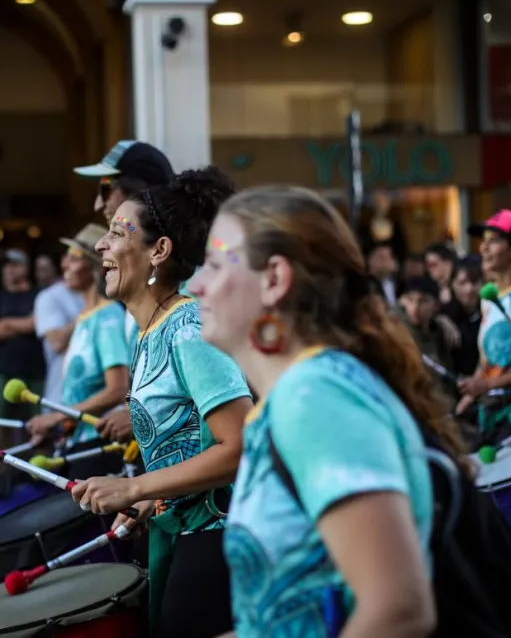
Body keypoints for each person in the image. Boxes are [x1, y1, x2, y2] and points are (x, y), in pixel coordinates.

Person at [189, 185, 451, 638]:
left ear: (274, 279)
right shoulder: (297, 395)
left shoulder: (314, 398)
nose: (196, 284)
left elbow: (398, 609)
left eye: (214, 264)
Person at [72, 168, 253, 638]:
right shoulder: (150, 330)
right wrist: (152, 498)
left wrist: (135, 487)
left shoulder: (188, 329)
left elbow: (238, 446)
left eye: (116, 231)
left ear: (159, 250)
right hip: (184, 534)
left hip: (219, 541)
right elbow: (191, 445)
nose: (100, 245)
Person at [74, 140, 175, 445]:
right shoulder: (143, 286)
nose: (98, 205)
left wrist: (142, 416)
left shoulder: (187, 283)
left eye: (106, 188)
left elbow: (224, 390)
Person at [26, 225, 130, 476]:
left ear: (95, 267)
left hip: (102, 444)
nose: (64, 266)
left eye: (73, 259)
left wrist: (56, 418)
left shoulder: (107, 317)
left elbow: (117, 389)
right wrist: (65, 425)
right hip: (81, 440)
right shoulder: (85, 317)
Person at [457, 210, 511, 445]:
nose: (483, 248)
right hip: (492, 411)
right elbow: (486, 360)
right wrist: (471, 391)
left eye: (493, 241)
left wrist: (486, 385)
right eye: (483, 241)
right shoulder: (488, 296)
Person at [0, 250, 46, 433]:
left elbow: (35, 324)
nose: (8, 270)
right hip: (2, 371)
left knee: (40, 425)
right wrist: (22, 323)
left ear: (25, 268)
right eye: (6, 265)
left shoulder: (39, 295)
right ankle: (0, 460)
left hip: (35, 370)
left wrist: (5, 323)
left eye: (14, 265)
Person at [33, 252, 83, 407]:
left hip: (107, 404)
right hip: (61, 400)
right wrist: (90, 311)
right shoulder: (48, 297)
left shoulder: (111, 295)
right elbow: (56, 342)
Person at [441, 258, 484, 378]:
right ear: (452, 284)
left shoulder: (490, 313)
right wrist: (441, 320)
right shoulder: (443, 315)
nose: (469, 289)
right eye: (462, 283)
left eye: (475, 282)